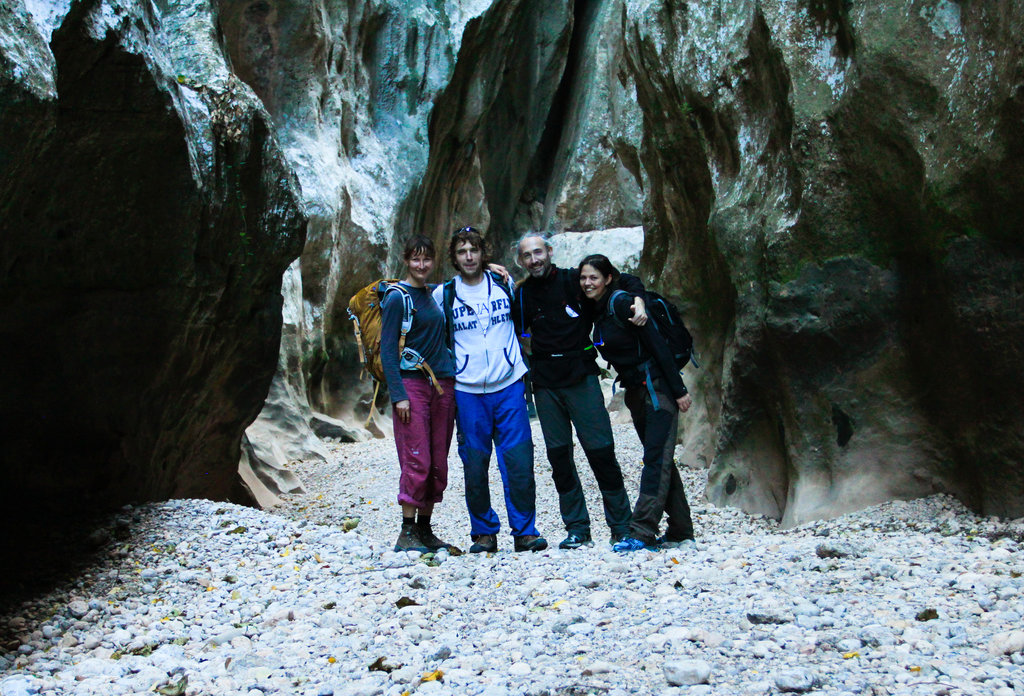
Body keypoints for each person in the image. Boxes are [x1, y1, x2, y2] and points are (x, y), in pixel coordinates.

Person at [513, 232, 647, 549]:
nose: (534, 260)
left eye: (538, 252)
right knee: (559, 457)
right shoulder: (522, 295)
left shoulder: (576, 280)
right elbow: (517, 332)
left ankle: (621, 525)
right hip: (545, 382)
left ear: (549, 251)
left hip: (581, 375)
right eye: (527, 256)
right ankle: (577, 528)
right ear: (521, 261)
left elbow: (625, 280)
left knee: (601, 450)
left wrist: (638, 299)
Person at [433, 226, 548, 553]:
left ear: (484, 253)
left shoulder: (503, 283)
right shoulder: (446, 294)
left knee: (519, 459)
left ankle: (525, 531)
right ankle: (483, 532)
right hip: (468, 390)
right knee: (475, 462)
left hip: (509, 383)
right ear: (454, 258)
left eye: (474, 250)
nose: (468, 256)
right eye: (461, 251)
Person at [578, 254, 696, 552]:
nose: (587, 282)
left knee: (655, 460)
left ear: (607, 278)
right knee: (661, 458)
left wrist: (679, 389)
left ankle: (642, 531)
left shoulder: (620, 303)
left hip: (658, 390)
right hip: (637, 391)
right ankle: (681, 529)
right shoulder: (600, 309)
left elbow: (656, 343)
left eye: (594, 277)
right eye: (583, 278)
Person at [380, 235, 457, 553]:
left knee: (438, 461)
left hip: (442, 385)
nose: (421, 265)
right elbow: (387, 350)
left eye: (426, 259)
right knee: (417, 460)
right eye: (415, 259)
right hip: (412, 386)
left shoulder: (433, 295)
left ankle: (425, 530)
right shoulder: (398, 298)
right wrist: (398, 395)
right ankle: (406, 531)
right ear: (406, 260)